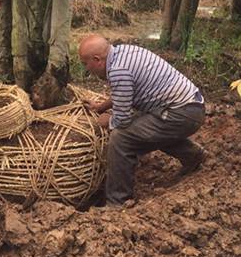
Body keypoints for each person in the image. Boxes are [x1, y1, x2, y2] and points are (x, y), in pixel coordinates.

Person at [79, 33, 206, 207]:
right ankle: (193, 156)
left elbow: (122, 120)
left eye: (86, 64)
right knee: (145, 128)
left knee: (121, 137)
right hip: (189, 108)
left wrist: (107, 121)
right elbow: (124, 92)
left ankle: (117, 201)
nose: (87, 69)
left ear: (97, 59)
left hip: (181, 113)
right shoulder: (122, 52)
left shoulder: (118, 71)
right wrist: (101, 107)